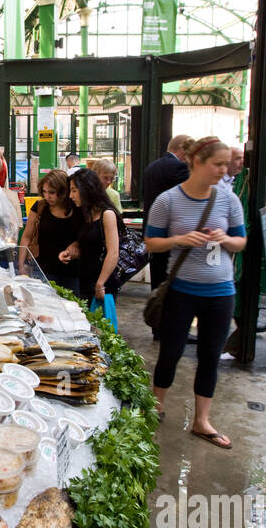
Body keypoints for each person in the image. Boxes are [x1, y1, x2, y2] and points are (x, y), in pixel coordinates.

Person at [142, 137, 247, 449]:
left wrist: (225, 238)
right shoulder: (169, 201)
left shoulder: (229, 200)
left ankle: (202, 420)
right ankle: (156, 404)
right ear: (196, 162)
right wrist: (180, 240)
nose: (224, 170)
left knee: (210, 357)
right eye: (218, 164)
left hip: (220, 292)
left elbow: (241, 242)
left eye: (226, 164)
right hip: (181, 291)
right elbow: (151, 242)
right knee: (170, 351)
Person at [59, 168, 122, 306]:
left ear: (87, 189)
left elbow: (113, 253)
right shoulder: (86, 214)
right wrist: (72, 248)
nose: (71, 195)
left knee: (101, 323)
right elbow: (89, 243)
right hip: (85, 279)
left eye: (74, 190)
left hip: (102, 283)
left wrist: (100, 283)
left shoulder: (107, 214)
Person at [142, 134, 192, 293]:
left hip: (153, 233)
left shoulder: (151, 167)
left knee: (157, 284)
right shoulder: (180, 168)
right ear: (183, 150)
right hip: (172, 236)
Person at [20, 169, 82, 293]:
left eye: (52, 192)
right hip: (43, 270)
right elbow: (26, 236)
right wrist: (21, 264)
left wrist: (75, 246)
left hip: (72, 273)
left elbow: (84, 237)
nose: (47, 196)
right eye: (44, 191)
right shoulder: (40, 207)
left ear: (64, 191)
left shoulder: (77, 208)